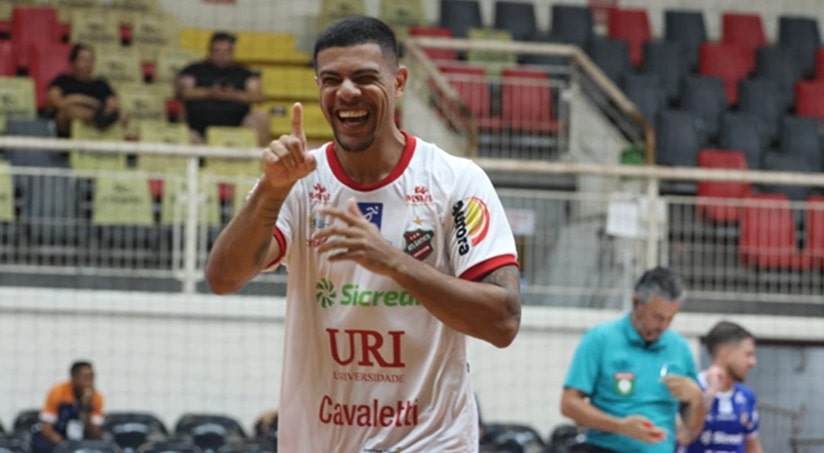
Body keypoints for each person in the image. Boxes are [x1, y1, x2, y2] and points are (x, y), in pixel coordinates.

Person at [205, 16, 521, 452]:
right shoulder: (295, 183)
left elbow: (503, 320)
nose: (347, 92)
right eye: (331, 79)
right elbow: (223, 278)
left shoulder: (456, 181)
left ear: (398, 82)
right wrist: (271, 192)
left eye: (364, 77)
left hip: (429, 441)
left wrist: (391, 260)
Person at [560, 267, 706, 453]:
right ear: (636, 302)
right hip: (604, 448)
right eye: (657, 317)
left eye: (670, 318)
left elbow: (690, 431)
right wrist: (620, 426)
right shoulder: (599, 340)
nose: (663, 326)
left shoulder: (680, 348)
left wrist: (696, 399)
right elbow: (569, 404)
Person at [678, 321, 763, 453]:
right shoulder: (692, 388)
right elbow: (684, 436)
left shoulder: (746, 397)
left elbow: (752, 446)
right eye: (748, 354)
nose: (752, 362)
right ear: (726, 354)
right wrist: (710, 393)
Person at [177, 31, 269, 146]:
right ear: (210, 51)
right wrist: (209, 93)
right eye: (217, 51)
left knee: (260, 117)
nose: (221, 55)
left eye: (226, 51)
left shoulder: (245, 73)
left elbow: (258, 96)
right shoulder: (193, 70)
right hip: (199, 127)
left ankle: (256, 161)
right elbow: (185, 92)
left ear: (232, 52)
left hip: (237, 125)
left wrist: (232, 95)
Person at [47, 44, 121, 137]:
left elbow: (112, 105)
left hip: (99, 132)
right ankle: (96, 119)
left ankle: (96, 121)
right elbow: (57, 102)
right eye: (84, 60)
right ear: (74, 62)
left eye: (91, 60)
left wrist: (72, 99)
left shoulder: (102, 84)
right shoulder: (62, 80)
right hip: (67, 131)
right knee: (67, 112)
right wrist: (94, 104)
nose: (88, 63)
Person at [30, 361, 104, 453]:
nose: (90, 381)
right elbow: (47, 430)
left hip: (80, 440)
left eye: (92, 377)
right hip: (57, 440)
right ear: (74, 377)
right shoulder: (57, 392)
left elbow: (94, 434)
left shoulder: (96, 397)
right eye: (86, 377)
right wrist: (66, 446)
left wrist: (86, 407)